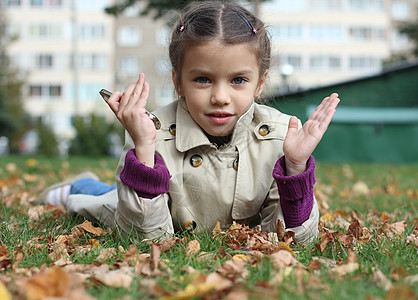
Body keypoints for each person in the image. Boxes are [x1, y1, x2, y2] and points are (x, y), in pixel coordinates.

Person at [37, 1, 340, 243]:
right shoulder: (150, 132)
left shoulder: (279, 138)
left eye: (238, 80)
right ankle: (78, 186)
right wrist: (143, 149)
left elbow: (295, 241)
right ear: (178, 81)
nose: (220, 97)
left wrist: (295, 168)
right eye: (203, 79)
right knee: (100, 202)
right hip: (138, 208)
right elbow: (143, 238)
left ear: (260, 84)